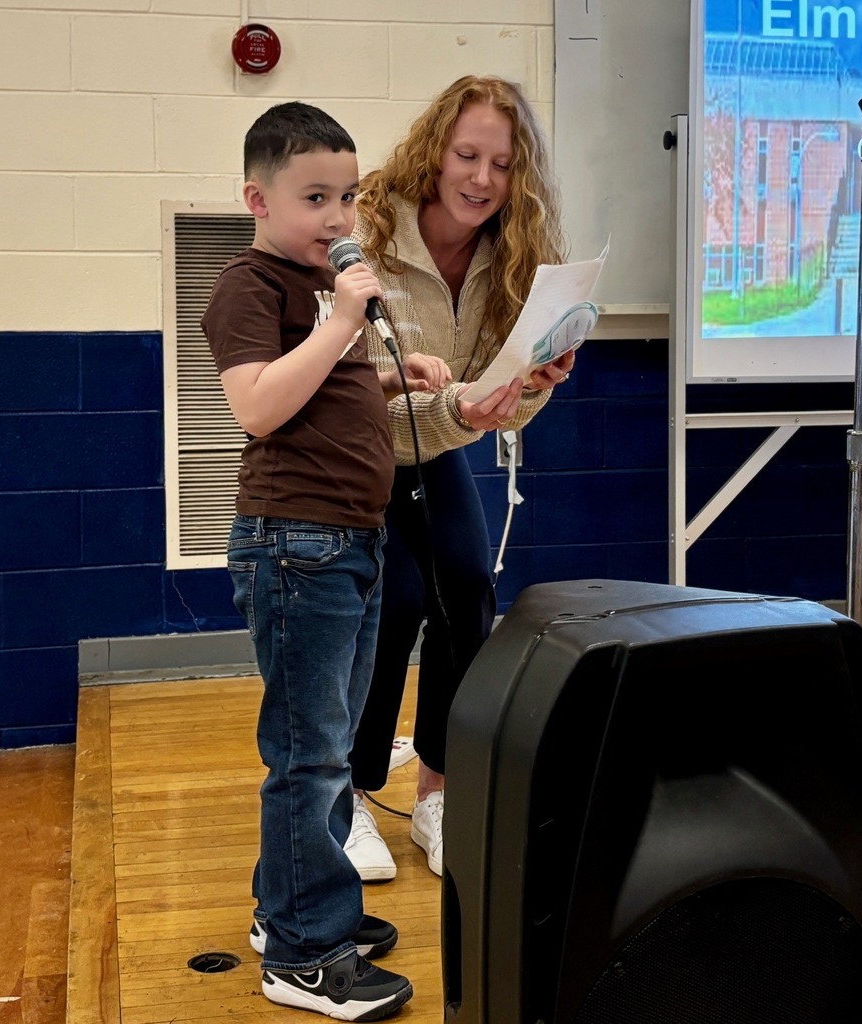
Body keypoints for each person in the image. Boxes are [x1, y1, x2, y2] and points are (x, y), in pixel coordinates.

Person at [200, 101, 450, 1020]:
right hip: (295, 546)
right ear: (257, 200)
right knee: (307, 756)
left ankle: (290, 907)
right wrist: (342, 324)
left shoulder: (319, 299)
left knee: (333, 747)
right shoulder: (249, 288)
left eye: (347, 196)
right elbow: (260, 407)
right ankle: (306, 952)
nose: (339, 218)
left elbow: (322, 392)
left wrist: (391, 372)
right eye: (315, 198)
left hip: (351, 540)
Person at [342, 76, 572, 881]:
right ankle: (351, 796)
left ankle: (438, 791)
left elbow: (489, 406)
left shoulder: (512, 253)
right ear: (436, 150)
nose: (481, 179)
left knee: (468, 588)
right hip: (355, 452)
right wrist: (459, 406)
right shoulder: (367, 224)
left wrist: (533, 386)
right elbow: (351, 378)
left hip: (431, 446)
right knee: (393, 602)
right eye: (467, 155)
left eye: (502, 164)